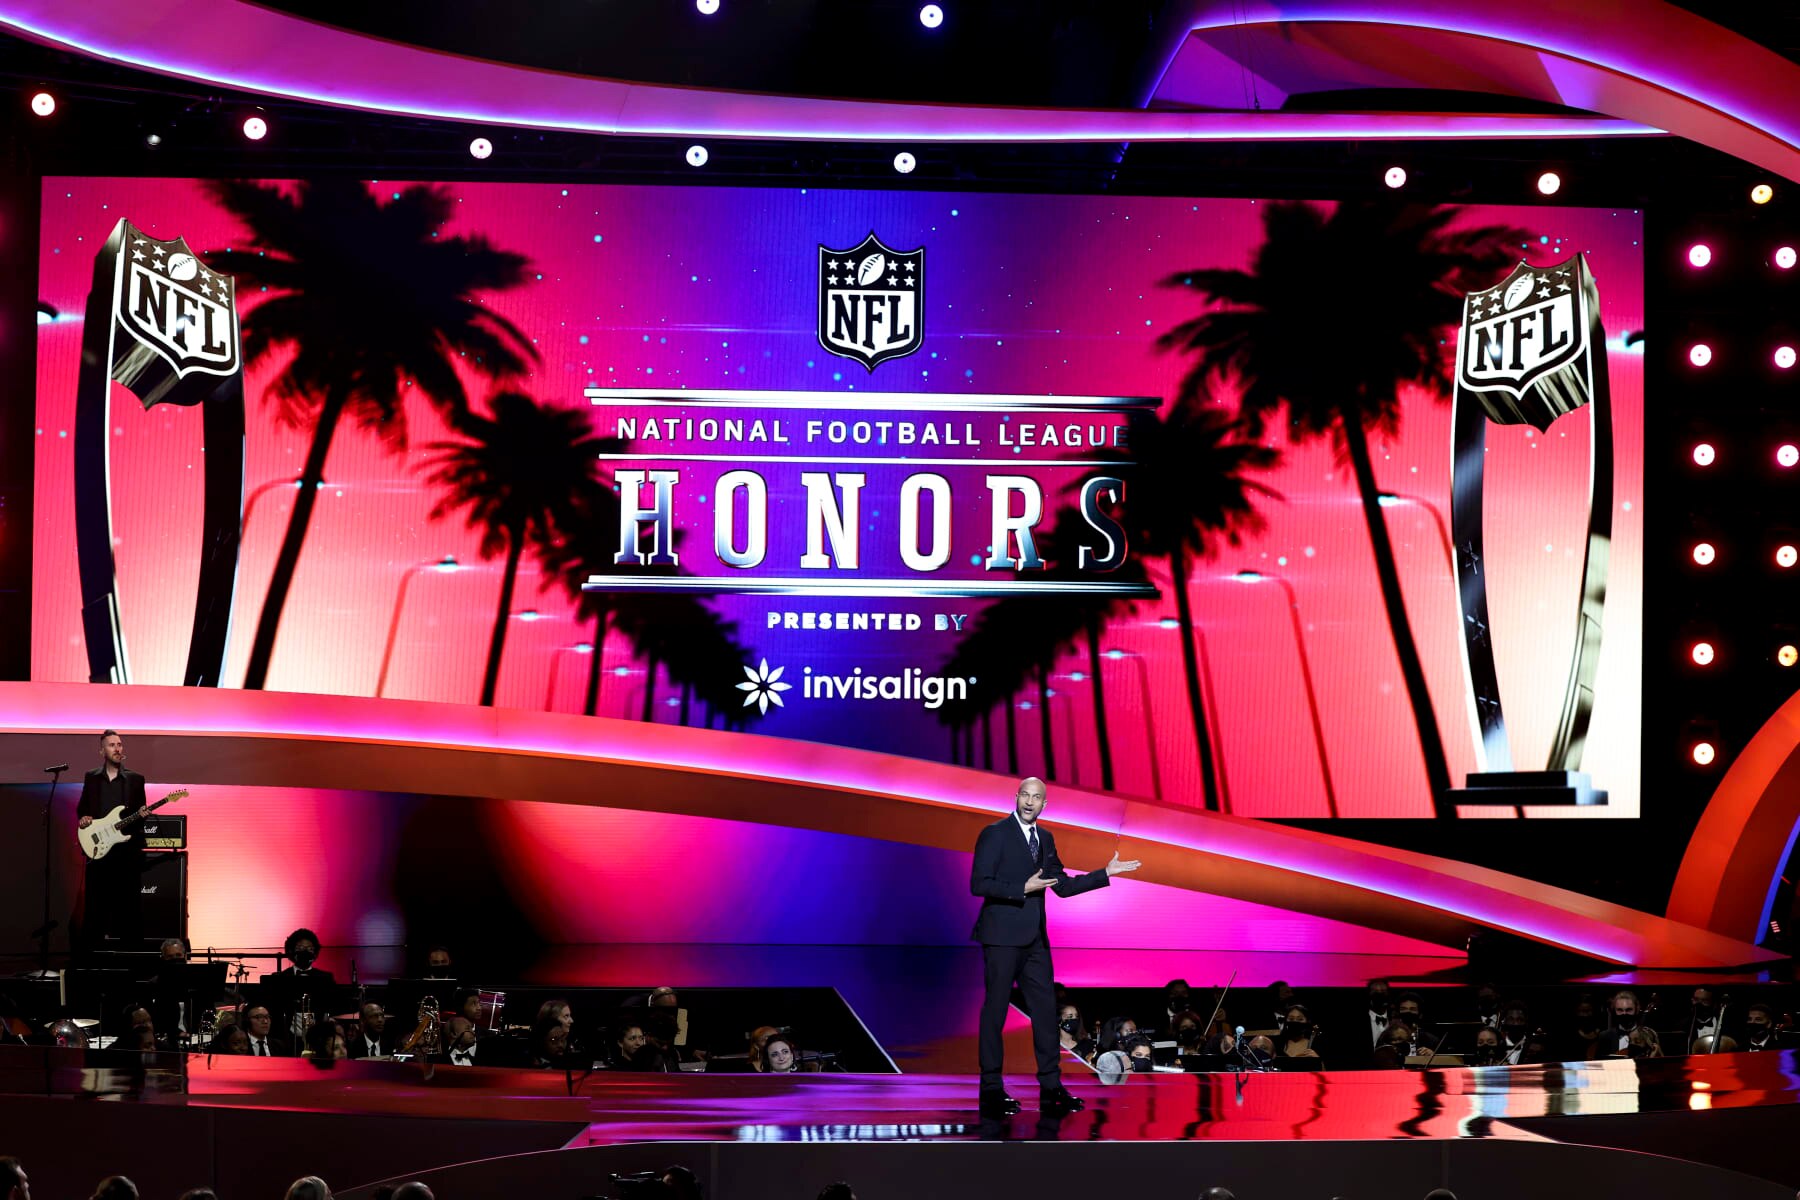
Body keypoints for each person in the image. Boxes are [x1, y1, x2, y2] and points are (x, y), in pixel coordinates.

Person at [970, 777, 1138, 1117]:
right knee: (995, 1013)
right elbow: (979, 882)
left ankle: (1051, 1087)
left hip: (1035, 941)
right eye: (1025, 796)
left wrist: (1104, 873)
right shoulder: (994, 833)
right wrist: (1022, 887)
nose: (1030, 802)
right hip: (1001, 937)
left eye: (1037, 798)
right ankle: (990, 1089)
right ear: (1016, 797)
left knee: (1046, 1014)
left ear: (1045, 804)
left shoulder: (1045, 838)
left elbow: (1062, 886)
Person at [76, 731, 148, 950]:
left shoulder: (135, 780)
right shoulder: (92, 777)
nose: (117, 748)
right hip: (99, 854)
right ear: (102, 751)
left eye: (119, 744)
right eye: (112, 745)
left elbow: (138, 821)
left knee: (129, 910)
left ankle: (131, 964)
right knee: (95, 909)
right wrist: (84, 819)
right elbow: (82, 809)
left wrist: (141, 816)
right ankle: (92, 962)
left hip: (126, 856)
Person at [264, 929, 338, 1041]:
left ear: (315, 952)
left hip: (318, 1039)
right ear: (291, 951)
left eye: (310, 949)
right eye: (300, 948)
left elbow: (333, 1006)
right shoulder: (278, 979)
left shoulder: (325, 979)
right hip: (286, 1039)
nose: (305, 952)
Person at [1363, 979, 1393, 1052]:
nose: (1379, 994)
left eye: (1383, 992)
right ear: (1369, 995)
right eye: (1375, 992)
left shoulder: (1396, 1020)